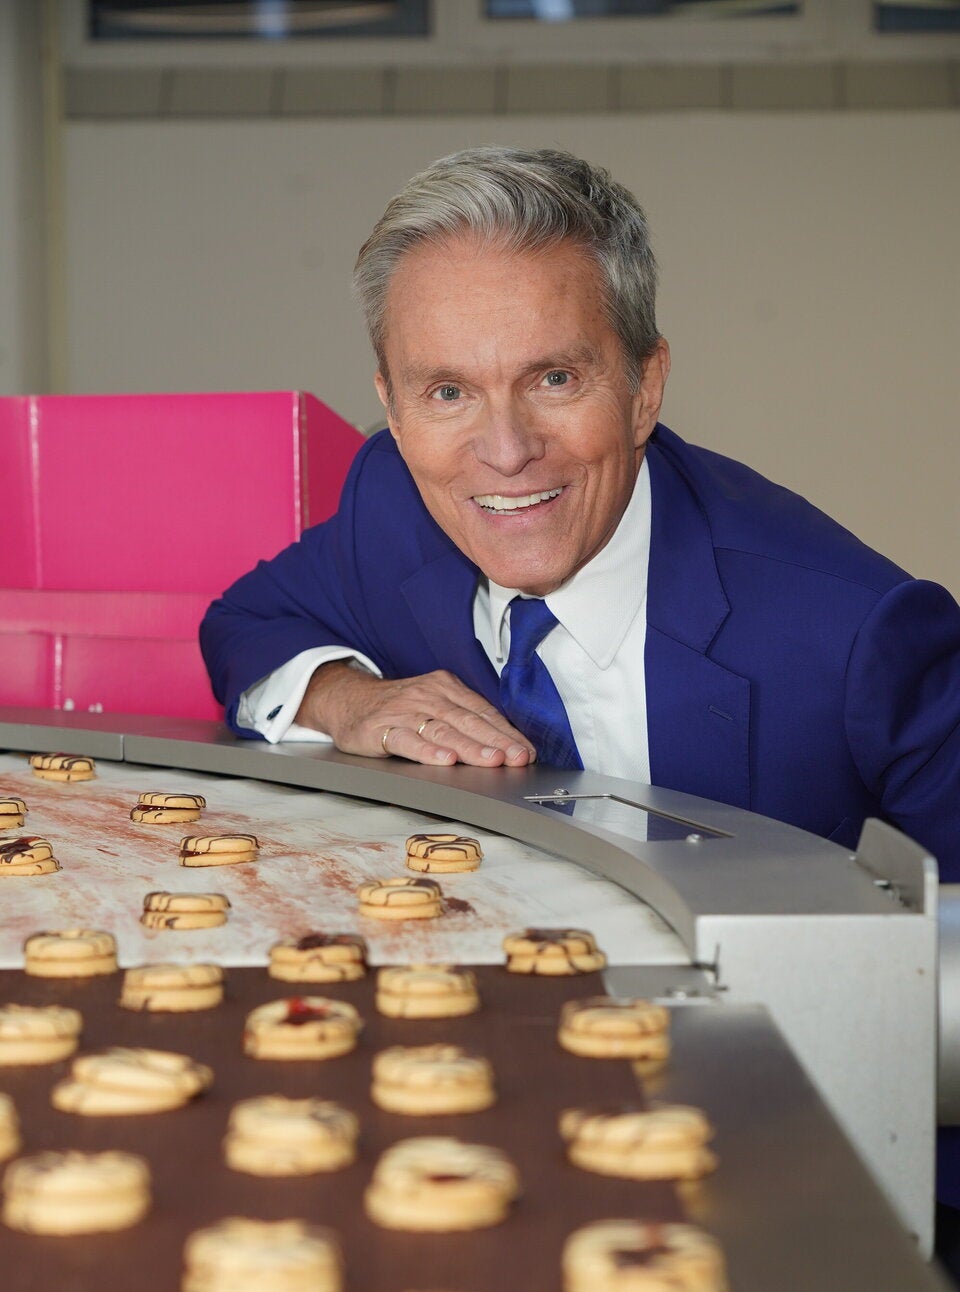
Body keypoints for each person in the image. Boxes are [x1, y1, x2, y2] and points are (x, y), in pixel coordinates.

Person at [200, 145, 960, 884]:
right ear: (392, 412)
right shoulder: (390, 510)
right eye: (448, 393)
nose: (505, 451)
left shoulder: (860, 637)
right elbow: (243, 624)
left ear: (645, 388)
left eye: (555, 378)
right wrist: (349, 699)